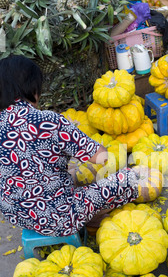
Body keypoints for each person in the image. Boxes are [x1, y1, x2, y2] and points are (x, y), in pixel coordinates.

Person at [0, 55, 139, 237]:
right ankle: (89, 217)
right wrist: (72, 135)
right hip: (60, 218)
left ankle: (86, 214)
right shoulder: (47, 120)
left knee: (69, 178)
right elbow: (101, 156)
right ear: (32, 87)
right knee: (132, 178)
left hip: (16, 215)